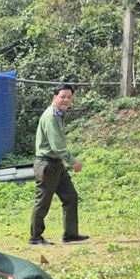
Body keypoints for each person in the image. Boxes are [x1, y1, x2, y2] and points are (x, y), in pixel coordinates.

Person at [30, 83, 88, 246]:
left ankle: (70, 234)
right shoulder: (50, 116)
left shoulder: (58, 115)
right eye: (62, 96)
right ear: (54, 97)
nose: (66, 100)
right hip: (47, 165)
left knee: (70, 196)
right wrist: (72, 161)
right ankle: (35, 237)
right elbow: (56, 145)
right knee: (43, 202)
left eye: (69, 97)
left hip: (56, 164)